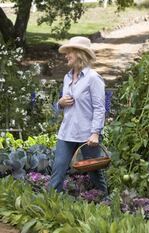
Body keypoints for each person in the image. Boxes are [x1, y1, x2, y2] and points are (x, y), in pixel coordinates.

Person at [47, 36, 108, 195]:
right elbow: (62, 106)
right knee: (57, 170)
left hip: (87, 136)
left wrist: (95, 133)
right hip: (66, 132)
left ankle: (107, 204)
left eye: (69, 52)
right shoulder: (67, 77)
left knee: (95, 173)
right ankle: (50, 206)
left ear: (80, 54)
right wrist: (60, 103)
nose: (66, 55)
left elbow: (99, 108)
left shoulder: (93, 78)